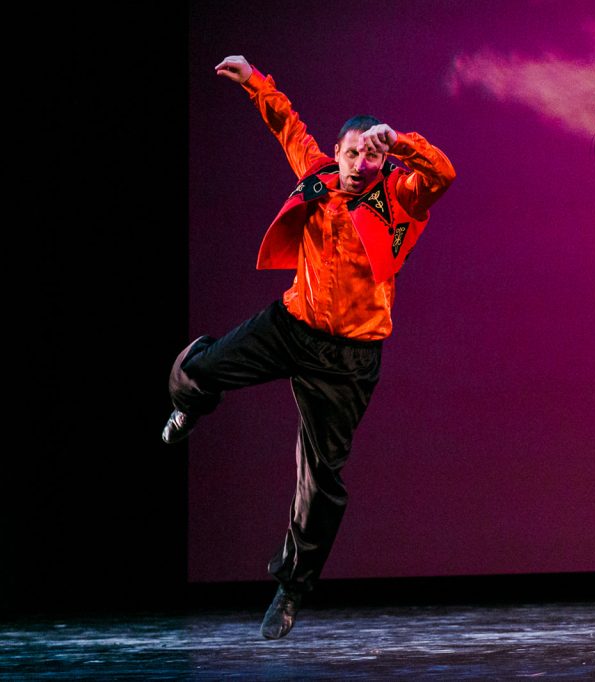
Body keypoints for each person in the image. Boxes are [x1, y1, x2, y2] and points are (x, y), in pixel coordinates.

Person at [162, 55, 455, 639]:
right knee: (202, 368)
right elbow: (286, 123)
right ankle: (189, 405)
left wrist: (400, 142)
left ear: (382, 159)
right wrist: (253, 80)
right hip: (292, 325)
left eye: (371, 155)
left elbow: (443, 173)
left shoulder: (399, 197)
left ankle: (292, 589)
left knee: (320, 479)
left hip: (348, 359)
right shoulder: (317, 173)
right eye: (353, 153)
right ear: (338, 152)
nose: (360, 164)